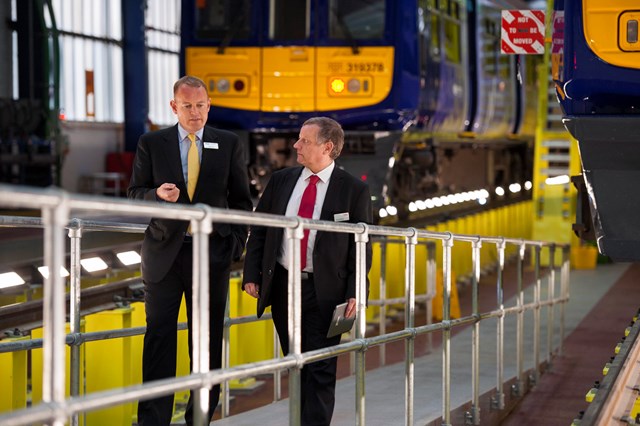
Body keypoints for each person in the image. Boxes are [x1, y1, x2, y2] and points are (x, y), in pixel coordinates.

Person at [128, 75, 253, 425]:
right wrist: (157, 195)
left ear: (209, 105)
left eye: (201, 105)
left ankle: (198, 419)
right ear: (174, 107)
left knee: (207, 342)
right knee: (159, 341)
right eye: (187, 106)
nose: (195, 113)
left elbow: (242, 202)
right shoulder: (151, 143)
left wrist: (234, 246)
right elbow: (134, 193)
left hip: (211, 258)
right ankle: (153, 420)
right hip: (164, 257)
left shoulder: (228, 143)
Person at [242, 117, 373, 425]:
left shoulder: (354, 190)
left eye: (304, 141)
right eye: (298, 140)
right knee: (297, 366)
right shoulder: (282, 180)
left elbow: (361, 246)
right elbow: (261, 229)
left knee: (321, 369)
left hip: (327, 294)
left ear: (327, 147)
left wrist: (356, 290)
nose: (295, 145)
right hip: (285, 288)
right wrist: (252, 273)